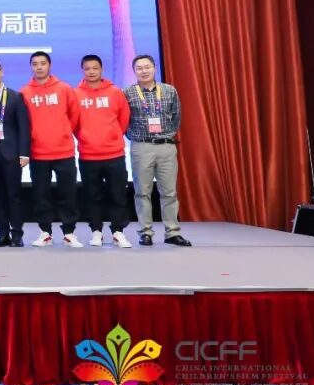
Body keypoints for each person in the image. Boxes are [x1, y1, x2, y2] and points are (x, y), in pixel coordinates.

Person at [124, 54, 191, 247]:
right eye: (139, 68)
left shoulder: (169, 91)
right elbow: (123, 120)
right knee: (142, 192)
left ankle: (172, 232)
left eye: (147, 67)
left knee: (169, 192)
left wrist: (166, 134)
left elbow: (177, 117)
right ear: (134, 71)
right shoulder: (127, 93)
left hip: (166, 146)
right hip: (141, 146)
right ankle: (145, 232)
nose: (144, 71)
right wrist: (135, 136)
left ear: (154, 68)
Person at [22, 51, 82, 248]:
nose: (39, 67)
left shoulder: (64, 88)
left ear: (49, 65)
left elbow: (74, 116)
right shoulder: (25, 92)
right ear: (31, 67)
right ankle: (45, 232)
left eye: (43, 63)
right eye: (35, 64)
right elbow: (24, 123)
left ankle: (69, 233)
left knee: (68, 193)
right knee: (41, 195)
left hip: (64, 151)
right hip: (38, 152)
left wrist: (62, 133)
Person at [74, 55, 133, 248]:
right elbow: (73, 122)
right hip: (88, 154)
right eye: (87, 68)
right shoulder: (76, 94)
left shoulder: (115, 92)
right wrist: (85, 137)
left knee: (118, 195)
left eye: (95, 68)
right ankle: (96, 232)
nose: (91, 72)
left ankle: (118, 232)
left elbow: (124, 119)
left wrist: (113, 136)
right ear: (82, 70)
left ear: (101, 69)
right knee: (93, 196)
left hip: (114, 154)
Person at [0, 59, 30, 247]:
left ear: (2, 72)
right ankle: (2, 233)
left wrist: (24, 153)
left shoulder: (16, 97)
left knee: (14, 195)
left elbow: (24, 126)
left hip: (12, 154)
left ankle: (17, 234)